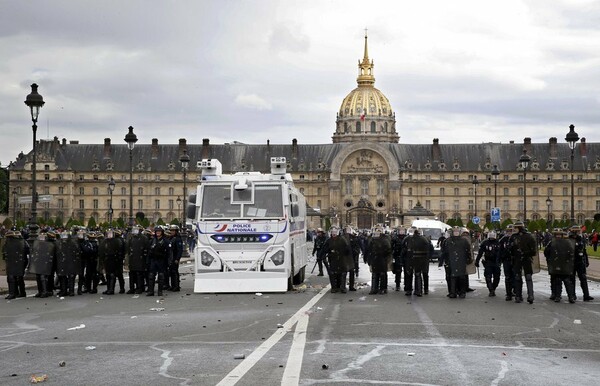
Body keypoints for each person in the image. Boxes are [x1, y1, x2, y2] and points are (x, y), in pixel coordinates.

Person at [508, 221, 538, 304]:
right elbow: (509, 249)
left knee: (528, 277)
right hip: (517, 259)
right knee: (518, 278)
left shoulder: (528, 237)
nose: (514, 229)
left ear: (519, 228)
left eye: (516, 228)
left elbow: (534, 251)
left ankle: (530, 295)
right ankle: (518, 295)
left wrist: (524, 253)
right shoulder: (513, 237)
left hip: (526, 259)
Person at [544, 228, 576, 303]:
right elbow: (546, 252)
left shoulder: (567, 242)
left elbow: (571, 252)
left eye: (559, 234)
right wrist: (550, 259)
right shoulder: (551, 242)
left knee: (567, 280)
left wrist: (568, 259)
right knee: (556, 280)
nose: (558, 236)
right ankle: (556, 295)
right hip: (555, 263)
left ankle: (570, 296)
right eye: (557, 234)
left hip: (564, 263)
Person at [439, 226, 472, 298]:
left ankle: (462, 292)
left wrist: (469, 260)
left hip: (461, 261)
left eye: (457, 231)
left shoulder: (464, 241)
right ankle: (452, 292)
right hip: (451, 260)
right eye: (455, 232)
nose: (456, 233)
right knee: (452, 277)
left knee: (461, 277)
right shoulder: (447, 241)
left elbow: (468, 251)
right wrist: (442, 261)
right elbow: (444, 252)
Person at [319, 227, 353, 293]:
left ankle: (342, 287)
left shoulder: (342, 240)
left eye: (335, 233)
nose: (334, 234)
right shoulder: (329, 241)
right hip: (333, 259)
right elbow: (324, 249)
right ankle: (334, 287)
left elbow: (347, 249)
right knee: (332, 273)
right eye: (332, 233)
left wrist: (345, 255)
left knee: (343, 273)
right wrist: (321, 256)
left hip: (341, 259)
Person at [402, 227, 431, 297]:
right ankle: (416, 290)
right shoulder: (408, 239)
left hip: (417, 259)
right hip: (413, 259)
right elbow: (403, 249)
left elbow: (428, 250)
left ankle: (415, 290)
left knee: (415, 274)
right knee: (413, 274)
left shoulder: (422, 239)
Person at [2, 228, 30, 299]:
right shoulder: (21, 241)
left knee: (14, 277)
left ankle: (16, 293)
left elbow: (27, 250)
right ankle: (17, 292)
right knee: (16, 277)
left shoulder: (21, 242)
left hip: (19, 261)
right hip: (15, 261)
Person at [569, 225, 594, 301]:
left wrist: (586, 260)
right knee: (572, 279)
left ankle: (586, 295)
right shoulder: (569, 239)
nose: (578, 232)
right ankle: (572, 295)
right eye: (576, 231)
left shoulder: (581, 239)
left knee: (583, 278)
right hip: (572, 261)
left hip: (580, 261)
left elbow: (584, 251)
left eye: (578, 230)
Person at [365, 226, 392, 295]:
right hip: (374, 258)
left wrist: (385, 256)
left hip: (382, 258)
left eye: (379, 230)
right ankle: (374, 288)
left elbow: (388, 249)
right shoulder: (372, 239)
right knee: (374, 274)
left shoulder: (385, 239)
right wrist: (368, 258)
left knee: (382, 274)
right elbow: (368, 249)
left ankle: (383, 288)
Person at [55, 230, 82, 297]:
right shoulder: (59, 243)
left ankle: (71, 291)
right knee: (62, 276)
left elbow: (77, 252)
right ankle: (63, 290)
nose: (64, 237)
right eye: (63, 236)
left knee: (71, 276)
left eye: (65, 236)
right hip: (63, 261)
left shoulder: (72, 243)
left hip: (71, 261)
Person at [147, 226, 172, 296]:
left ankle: (160, 291)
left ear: (162, 232)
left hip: (162, 260)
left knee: (161, 276)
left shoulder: (166, 241)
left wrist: (169, 261)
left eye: (159, 231)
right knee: (151, 276)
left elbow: (169, 252)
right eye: (157, 231)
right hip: (153, 260)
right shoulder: (152, 241)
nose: (158, 232)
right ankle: (151, 291)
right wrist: (148, 261)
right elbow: (149, 251)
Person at [476, 231, 502, 297]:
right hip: (488, 262)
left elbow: (502, 253)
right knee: (488, 277)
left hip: (496, 262)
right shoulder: (485, 243)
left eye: (493, 236)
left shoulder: (499, 243)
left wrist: (501, 260)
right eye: (490, 236)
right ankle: (491, 290)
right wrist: (477, 260)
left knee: (497, 277)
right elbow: (480, 252)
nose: (492, 237)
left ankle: (493, 287)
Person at [126, 225, 149, 294]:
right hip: (133, 258)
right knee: (132, 274)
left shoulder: (144, 238)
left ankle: (140, 287)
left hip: (140, 258)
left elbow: (146, 248)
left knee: (139, 274)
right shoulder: (131, 238)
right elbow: (128, 248)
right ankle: (132, 288)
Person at [343, 226, 361, 291]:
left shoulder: (354, 238)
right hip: (345, 257)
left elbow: (357, 247)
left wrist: (355, 252)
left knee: (351, 272)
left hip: (351, 257)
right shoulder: (342, 238)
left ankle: (351, 286)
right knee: (344, 272)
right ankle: (343, 286)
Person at [166, 224, 183, 292]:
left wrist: (177, 259)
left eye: (173, 230)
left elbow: (179, 250)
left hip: (175, 257)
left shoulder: (178, 239)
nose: (172, 232)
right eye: (171, 230)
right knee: (171, 272)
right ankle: (173, 285)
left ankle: (176, 286)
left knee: (175, 272)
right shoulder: (171, 238)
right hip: (170, 257)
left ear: (176, 231)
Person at [391, 227, 407, 291]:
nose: (402, 232)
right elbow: (391, 246)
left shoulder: (407, 238)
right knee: (398, 271)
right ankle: (397, 284)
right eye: (400, 231)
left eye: (403, 231)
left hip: (405, 256)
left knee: (407, 271)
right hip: (398, 256)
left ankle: (407, 285)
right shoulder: (395, 238)